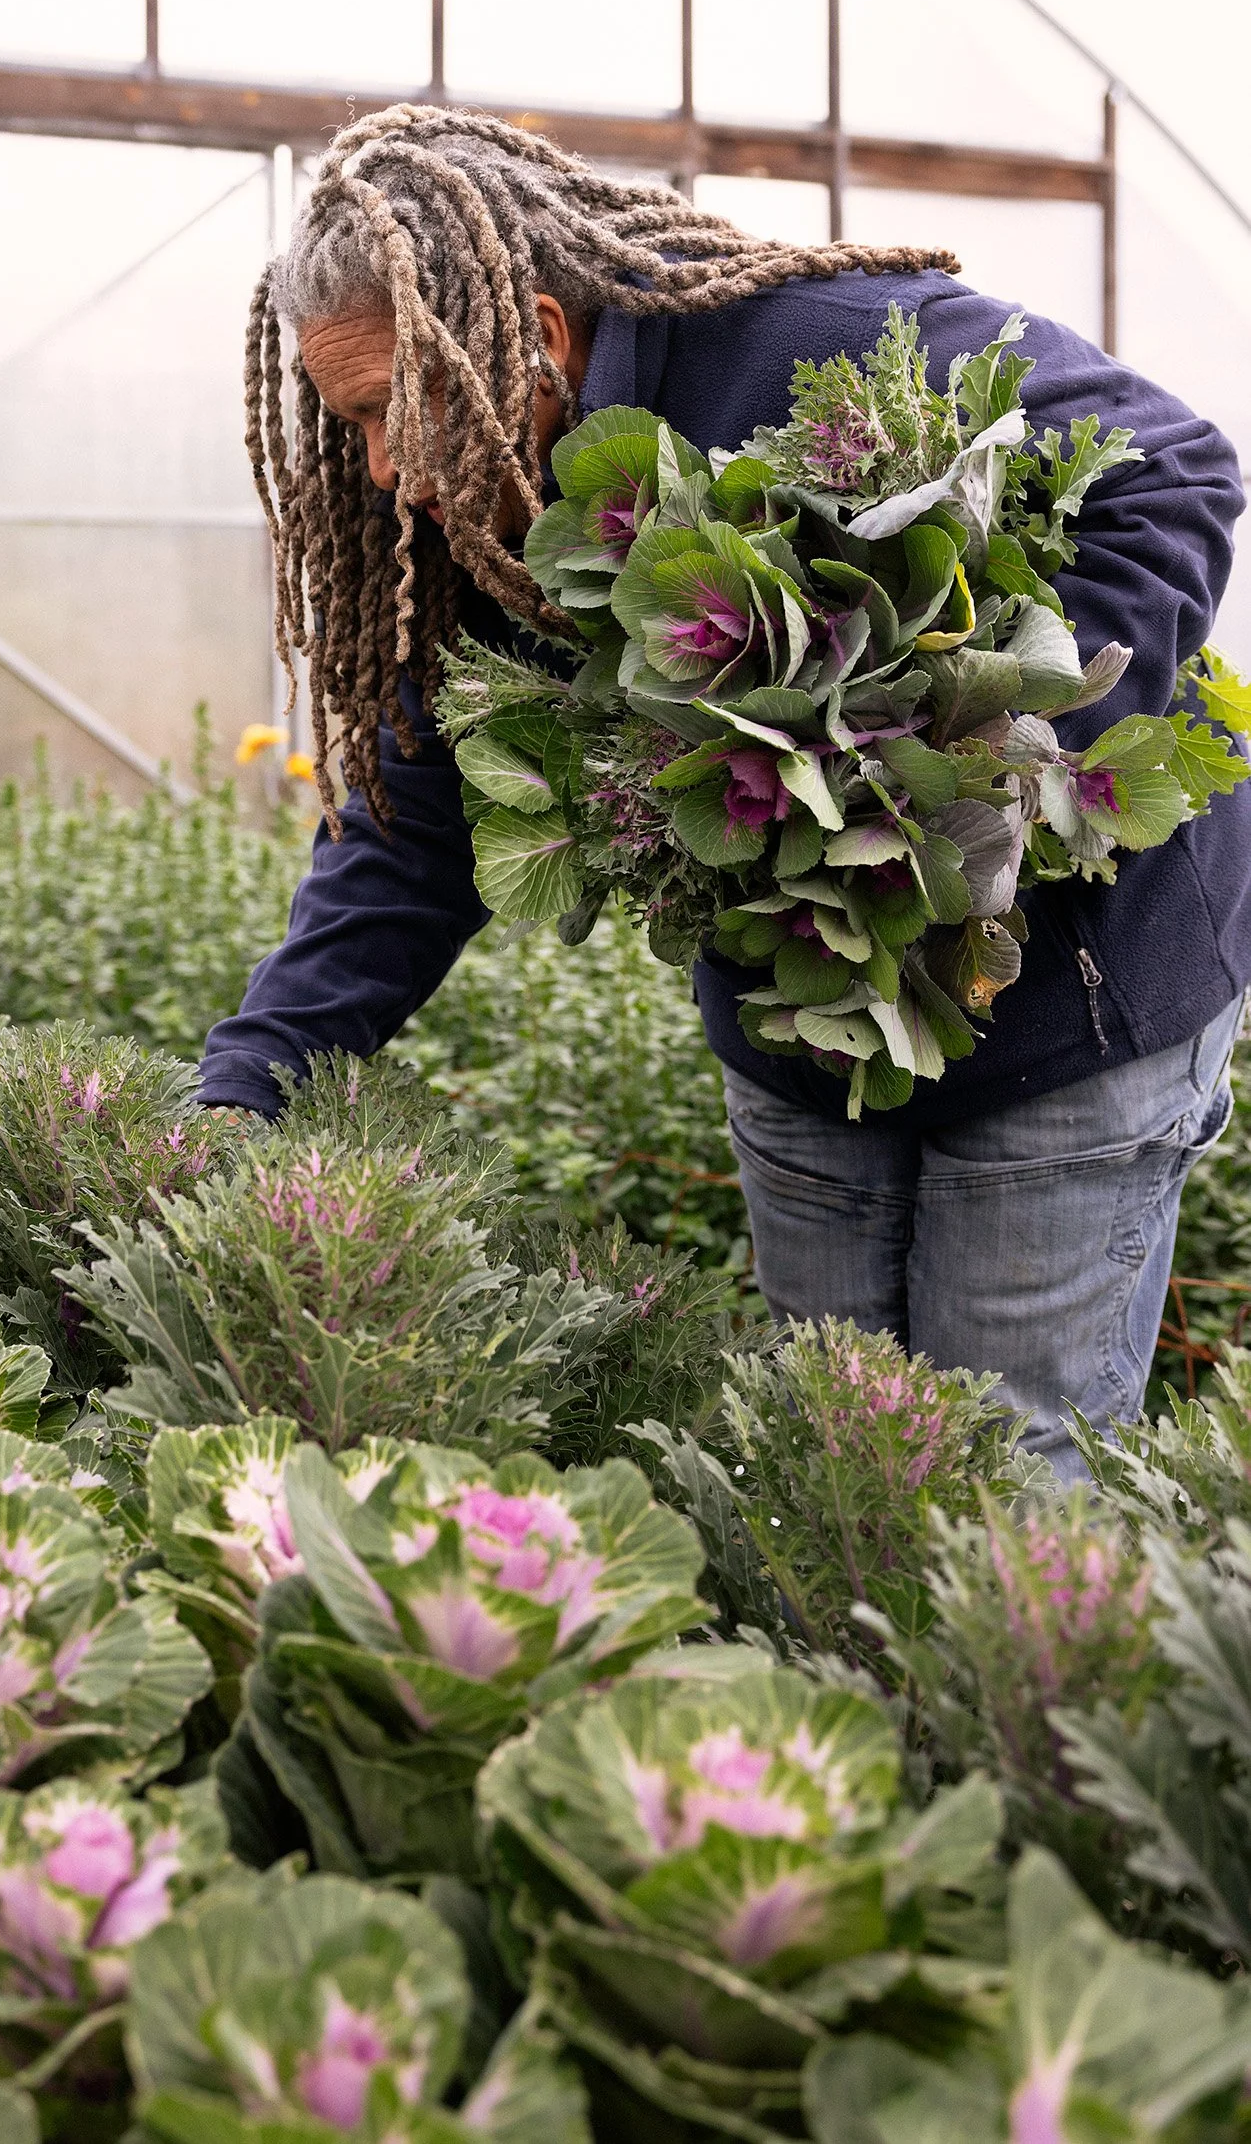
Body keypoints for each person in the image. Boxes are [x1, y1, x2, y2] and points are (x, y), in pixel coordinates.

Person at [198, 103, 1251, 1478]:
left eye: (388, 406)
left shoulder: (819, 351)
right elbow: (413, 827)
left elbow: (1171, 471)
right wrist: (248, 1080)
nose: (385, 471)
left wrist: (983, 757)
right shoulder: (490, 517)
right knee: (830, 1470)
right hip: (797, 1017)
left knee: (1010, 1474)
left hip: (1065, 995)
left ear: (536, 331)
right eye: (351, 428)